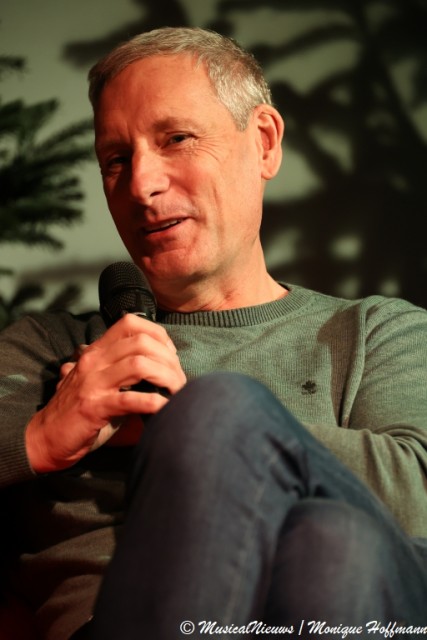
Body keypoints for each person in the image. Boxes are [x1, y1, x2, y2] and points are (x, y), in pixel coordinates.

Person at [0, 26, 427, 640]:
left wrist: (194, 419)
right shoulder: (48, 354)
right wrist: (42, 436)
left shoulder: (375, 333)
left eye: (176, 139)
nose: (141, 186)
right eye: (116, 160)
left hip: (350, 606)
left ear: (264, 142)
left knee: (333, 542)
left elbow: (418, 495)